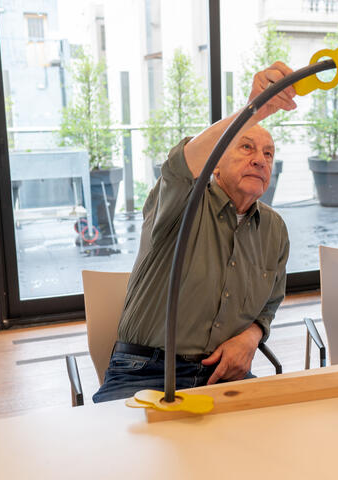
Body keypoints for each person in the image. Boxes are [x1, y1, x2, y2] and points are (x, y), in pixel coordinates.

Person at [93, 62, 297, 403]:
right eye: (246, 147)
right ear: (214, 163)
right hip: (145, 371)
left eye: (268, 153)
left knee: (275, 446)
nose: (261, 160)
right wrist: (253, 112)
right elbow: (179, 165)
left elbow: (270, 303)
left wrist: (250, 338)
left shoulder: (274, 229)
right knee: (121, 454)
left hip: (224, 375)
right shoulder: (182, 201)